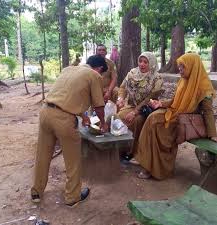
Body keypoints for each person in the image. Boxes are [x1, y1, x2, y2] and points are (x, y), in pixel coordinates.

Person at [31, 55, 108, 207]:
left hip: (45, 112)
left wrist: (83, 116)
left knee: (42, 155)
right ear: (99, 69)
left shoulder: (68, 69)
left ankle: (36, 192)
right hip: (64, 120)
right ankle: (73, 197)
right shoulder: (94, 75)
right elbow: (99, 106)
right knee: (73, 160)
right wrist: (104, 124)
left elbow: (68, 96)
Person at [135, 53, 217, 179]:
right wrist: (160, 103)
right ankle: (148, 165)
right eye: (179, 67)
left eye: (182, 67)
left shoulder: (204, 87)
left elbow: (208, 112)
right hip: (175, 113)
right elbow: (174, 101)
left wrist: (213, 134)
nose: (180, 69)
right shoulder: (183, 81)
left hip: (184, 121)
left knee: (157, 126)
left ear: (192, 67)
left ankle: (159, 170)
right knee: (152, 119)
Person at [116, 52, 163, 162]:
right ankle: (121, 147)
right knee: (119, 116)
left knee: (136, 121)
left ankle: (133, 151)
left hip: (147, 108)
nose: (142, 64)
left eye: (145, 62)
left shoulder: (157, 78)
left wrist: (135, 112)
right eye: (140, 61)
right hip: (133, 105)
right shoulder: (132, 73)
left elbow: (150, 98)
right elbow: (122, 87)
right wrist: (120, 98)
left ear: (151, 63)